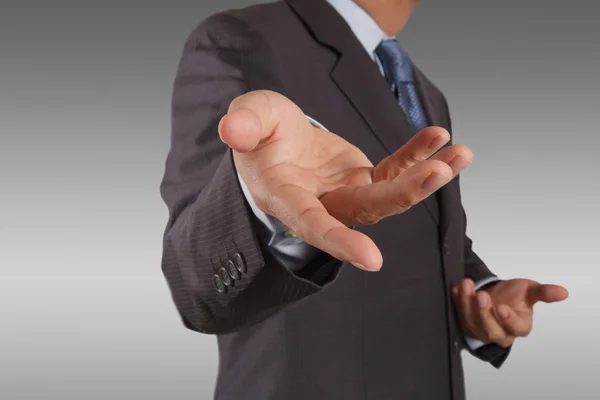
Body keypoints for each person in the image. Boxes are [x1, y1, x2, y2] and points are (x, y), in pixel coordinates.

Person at [159, 0, 568, 398]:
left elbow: (431, 237)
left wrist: (482, 294)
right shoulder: (240, 39)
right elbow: (194, 284)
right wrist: (267, 212)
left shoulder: (423, 91)